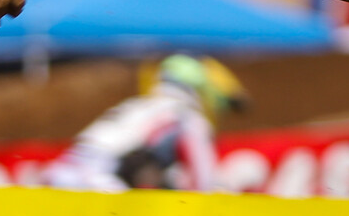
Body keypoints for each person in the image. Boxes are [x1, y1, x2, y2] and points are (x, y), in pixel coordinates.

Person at [42, 54, 248, 192]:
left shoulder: (138, 105)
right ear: (202, 90)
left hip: (58, 174)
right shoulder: (187, 118)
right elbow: (204, 185)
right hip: (97, 185)